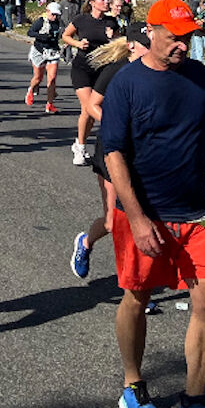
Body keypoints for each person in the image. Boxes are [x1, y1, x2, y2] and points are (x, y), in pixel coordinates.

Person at [99, 0, 205, 408]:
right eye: (175, 39)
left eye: (188, 38)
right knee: (138, 294)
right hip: (144, 211)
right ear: (150, 33)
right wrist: (136, 218)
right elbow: (113, 154)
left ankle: (196, 396)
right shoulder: (126, 82)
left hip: (195, 207)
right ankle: (133, 382)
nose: (183, 47)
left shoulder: (196, 75)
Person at [70, 29, 148, 282]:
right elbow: (92, 105)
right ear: (133, 46)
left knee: (141, 215)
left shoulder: (158, 72)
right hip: (112, 149)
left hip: (143, 151)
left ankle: (137, 284)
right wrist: (120, 124)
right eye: (148, 44)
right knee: (114, 222)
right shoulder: (117, 70)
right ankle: (85, 242)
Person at [63, 0, 119, 166]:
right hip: (82, 68)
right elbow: (66, 36)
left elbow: (119, 46)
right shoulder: (81, 19)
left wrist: (113, 38)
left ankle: (79, 142)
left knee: (91, 112)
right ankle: (80, 147)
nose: (106, 2)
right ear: (93, 3)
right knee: (88, 107)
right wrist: (78, 43)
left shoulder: (111, 22)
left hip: (102, 70)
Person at [25, 1, 65, 113]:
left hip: (52, 51)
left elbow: (63, 34)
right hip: (39, 50)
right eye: (53, 14)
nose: (55, 17)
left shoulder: (59, 23)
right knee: (38, 78)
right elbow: (30, 32)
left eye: (57, 15)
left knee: (52, 79)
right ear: (47, 12)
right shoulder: (41, 21)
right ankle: (31, 89)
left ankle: (50, 104)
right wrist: (41, 36)